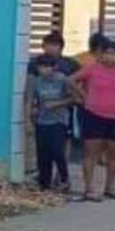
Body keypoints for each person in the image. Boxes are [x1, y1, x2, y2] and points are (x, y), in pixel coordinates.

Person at [69, 38, 115, 201]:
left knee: (112, 154)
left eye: (113, 53)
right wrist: (82, 96)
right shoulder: (92, 69)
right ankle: (89, 189)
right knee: (91, 153)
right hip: (94, 115)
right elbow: (71, 80)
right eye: (107, 53)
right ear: (100, 55)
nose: (110, 57)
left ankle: (110, 188)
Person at [28, 55, 73, 191]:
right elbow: (32, 99)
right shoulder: (37, 82)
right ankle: (44, 182)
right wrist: (32, 111)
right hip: (42, 120)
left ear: (54, 67)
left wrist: (57, 103)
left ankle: (64, 179)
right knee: (43, 152)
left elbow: (74, 98)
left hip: (59, 120)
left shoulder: (61, 80)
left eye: (48, 66)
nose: (44, 70)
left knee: (57, 150)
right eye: (41, 66)